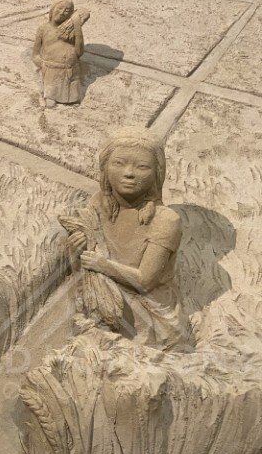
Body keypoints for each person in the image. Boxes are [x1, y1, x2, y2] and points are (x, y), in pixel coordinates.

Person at [60, 126, 189, 350]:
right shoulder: (98, 205)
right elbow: (82, 268)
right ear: (105, 168)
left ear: (157, 173)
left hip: (150, 316)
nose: (129, 173)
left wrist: (102, 265)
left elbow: (144, 281)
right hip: (102, 303)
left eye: (142, 167)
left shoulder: (165, 220)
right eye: (119, 163)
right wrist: (76, 250)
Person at [32, 0, 89, 107]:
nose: (62, 12)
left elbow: (79, 52)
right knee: (51, 98)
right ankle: (50, 95)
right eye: (60, 8)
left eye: (67, 11)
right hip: (51, 70)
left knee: (73, 97)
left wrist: (77, 26)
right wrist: (43, 66)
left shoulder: (70, 32)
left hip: (71, 69)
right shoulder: (43, 28)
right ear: (52, 9)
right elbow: (35, 54)